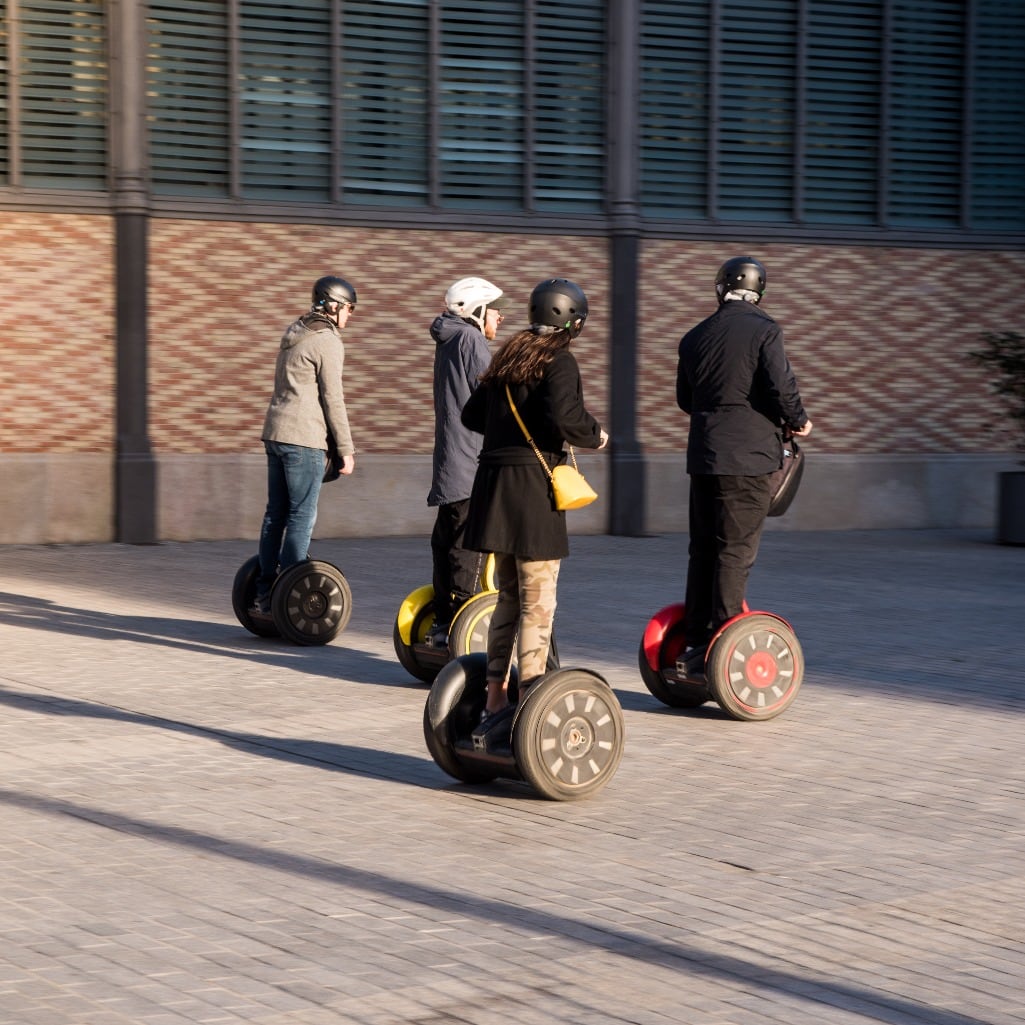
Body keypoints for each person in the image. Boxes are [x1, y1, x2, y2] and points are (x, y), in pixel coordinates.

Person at [460, 278, 609, 749]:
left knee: (507, 598)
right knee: (539, 603)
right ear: (572, 322)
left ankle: (494, 698)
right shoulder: (558, 360)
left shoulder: (509, 355)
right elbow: (567, 418)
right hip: (532, 493)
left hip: (495, 489)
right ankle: (530, 700)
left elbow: (471, 417)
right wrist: (596, 434)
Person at [675, 256, 812, 672]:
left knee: (702, 550)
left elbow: (685, 400)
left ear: (720, 289)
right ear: (760, 291)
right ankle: (721, 642)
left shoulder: (694, 336)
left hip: (704, 456)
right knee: (735, 553)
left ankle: (694, 638)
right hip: (749, 459)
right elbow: (779, 384)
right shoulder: (765, 330)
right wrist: (798, 419)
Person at [251, 275, 357, 615]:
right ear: (334, 305)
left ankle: (266, 590)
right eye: (349, 308)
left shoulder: (296, 332)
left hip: (276, 433)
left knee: (275, 516)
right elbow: (333, 399)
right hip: (302, 439)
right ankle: (289, 592)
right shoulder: (327, 340)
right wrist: (346, 448)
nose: (351, 315)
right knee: (300, 516)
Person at [425, 277, 513, 647]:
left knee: (445, 544)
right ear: (476, 311)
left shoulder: (449, 340)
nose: (501, 318)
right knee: (469, 548)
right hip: (471, 462)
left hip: (451, 461)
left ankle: (442, 623)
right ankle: (459, 626)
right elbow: (493, 396)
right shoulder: (471, 340)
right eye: (494, 311)